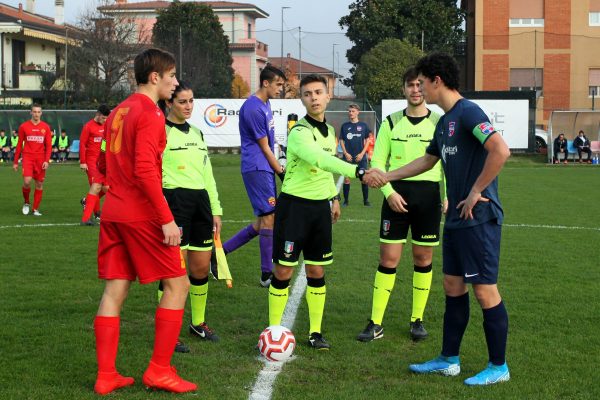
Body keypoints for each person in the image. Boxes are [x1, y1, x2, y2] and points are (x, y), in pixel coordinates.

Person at [365, 53, 511, 386]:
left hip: (479, 218)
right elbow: (426, 161)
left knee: (485, 291)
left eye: (423, 82)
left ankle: (498, 366)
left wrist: (476, 190)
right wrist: (386, 176)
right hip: (458, 221)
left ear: (437, 81)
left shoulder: (469, 112)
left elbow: (500, 150)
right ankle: (449, 359)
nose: (420, 89)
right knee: (453, 286)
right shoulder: (444, 122)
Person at [92, 48, 196, 395]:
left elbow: (104, 165)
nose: (175, 82)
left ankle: (106, 375)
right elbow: (145, 170)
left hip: (113, 212)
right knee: (178, 285)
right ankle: (159, 370)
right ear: (155, 77)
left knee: (114, 289)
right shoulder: (151, 114)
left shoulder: (117, 111)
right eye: (172, 75)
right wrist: (166, 219)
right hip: (141, 214)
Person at [269, 74, 366, 350]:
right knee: (284, 271)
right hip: (294, 208)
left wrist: (334, 197)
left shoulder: (331, 131)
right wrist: (357, 171)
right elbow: (321, 160)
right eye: (308, 93)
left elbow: (324, 171)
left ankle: (315, 333)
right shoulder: (299, 132)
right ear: (302, 98)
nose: (313, 97)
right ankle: (274, 330)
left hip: (319, 210)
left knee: (316, 270)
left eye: (318, 92)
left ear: (327, 96)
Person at [357, 67, 446, 343]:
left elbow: (449, 162)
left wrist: (449, 195)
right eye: (411, 85)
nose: (416, 90)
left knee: (423, 259)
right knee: (388, 259)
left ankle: (417, 320)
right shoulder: (391, 122)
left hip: (429, 196)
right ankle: (375, 323)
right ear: (404, 89)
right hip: (395, 195)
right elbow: (378, 164)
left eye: (420, 85)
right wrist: (388, 193)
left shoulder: (440, 122)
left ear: (427, 87)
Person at [157, 81, 223, 346]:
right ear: (169, 103)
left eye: (191, 101)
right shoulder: (160, 132)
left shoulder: (197, 133)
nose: (188, 106)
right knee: (173, 270)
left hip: (201, 203)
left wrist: (216, 210)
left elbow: (207, 175)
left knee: (200, 266)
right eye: (182, 101)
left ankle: (197, 323)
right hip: (174, 201)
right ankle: (168, 328)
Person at [222, 65, 286, 288]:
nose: (281, 89)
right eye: (278, 84)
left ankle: (218, 254)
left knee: (262, 223)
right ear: (266, 83)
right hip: (258, 167)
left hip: (264, 167)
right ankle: (266, 274)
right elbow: (265, 147)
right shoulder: (253, 108)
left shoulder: (266, 105)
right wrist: (280, 171)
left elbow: (271, 144)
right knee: (270, 218)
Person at [12, 104, 52, 216]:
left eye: (38, 112)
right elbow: (19, 145)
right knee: (27, 181)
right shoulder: (24, 126)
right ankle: (26, 202)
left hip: (41, 159)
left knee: (39, 184)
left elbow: (49, 146)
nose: (36, 114)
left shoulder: (46, 127)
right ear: (31, 112)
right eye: (34, 112)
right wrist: (15, 162)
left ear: (41, 113)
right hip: (28, 157)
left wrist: (46, 160)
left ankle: (35, 209)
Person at [79, 105, 111, 225]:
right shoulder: (88, 126)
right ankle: (95, 214)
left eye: (106, 118)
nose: (105, 120)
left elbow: (106, 145)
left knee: (106, 188)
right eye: (103, 118)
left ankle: (87, 202)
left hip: (104, 162)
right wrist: (83, 162)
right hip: (91, 161)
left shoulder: (107, 126)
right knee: (96, 187)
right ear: (97, 115)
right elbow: (82, 144)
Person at [339, 103, 372, 206]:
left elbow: (368, 140)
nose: (351, 113)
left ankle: (366, 201)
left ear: (358, 112)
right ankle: (346, 201)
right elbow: (341, 140)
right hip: (348, 157)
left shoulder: (363, 126)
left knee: (363, 179)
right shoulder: (345, 126)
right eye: (349, 111)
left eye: (353, 111)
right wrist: (345, 153)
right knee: (347, 179)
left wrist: (362, 154)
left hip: (360, 158)